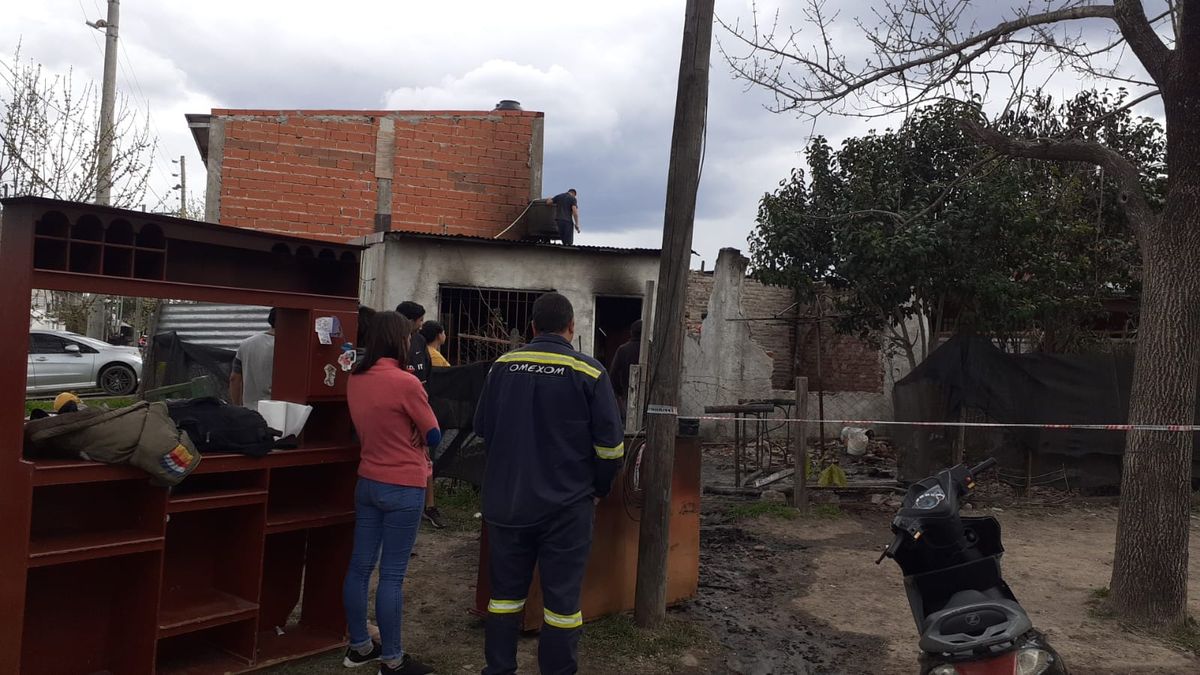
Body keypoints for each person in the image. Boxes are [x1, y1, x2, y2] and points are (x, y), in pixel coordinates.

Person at [474, 292, 625, 675]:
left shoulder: (501, 367)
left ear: (533, 328)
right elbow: (610, 449)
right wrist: (598, 489)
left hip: (507, 504)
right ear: (571, 328)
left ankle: (498, 670)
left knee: (504, 599)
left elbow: (482, 430)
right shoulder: (590, 372)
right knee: (561, 606)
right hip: (567, 509)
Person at [342, 311, 439, 675]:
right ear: (400, 341)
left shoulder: (356, 378)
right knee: (393, 575)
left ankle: (359, 645)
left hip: (368, 479)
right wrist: (416, 431)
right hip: (403, 485)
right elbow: (433, 435)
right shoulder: (406, 382)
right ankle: (393, 660)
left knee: (359, 566)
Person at [395, 301, 446, 530]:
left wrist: (421, 420)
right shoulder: (389, 341)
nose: (422, 324)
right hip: (395, 414)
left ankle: (428, 507)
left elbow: (425, 377)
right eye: (420, 320)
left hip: (419, 412)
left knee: (425, 460)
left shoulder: (418, 341)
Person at [230, 308, 276, 411]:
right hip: (279, 412)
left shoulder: (246, 344)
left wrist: (237, 408)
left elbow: (234, 378)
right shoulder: (291, 348)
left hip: (250, 412)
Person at [608, 319, 642, 422]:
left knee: (627, 423)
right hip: (648, 396)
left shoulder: (623, 350)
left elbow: (613, 374)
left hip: (627, 392)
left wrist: (620, 392)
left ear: (631, 333)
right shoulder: (650, 348)